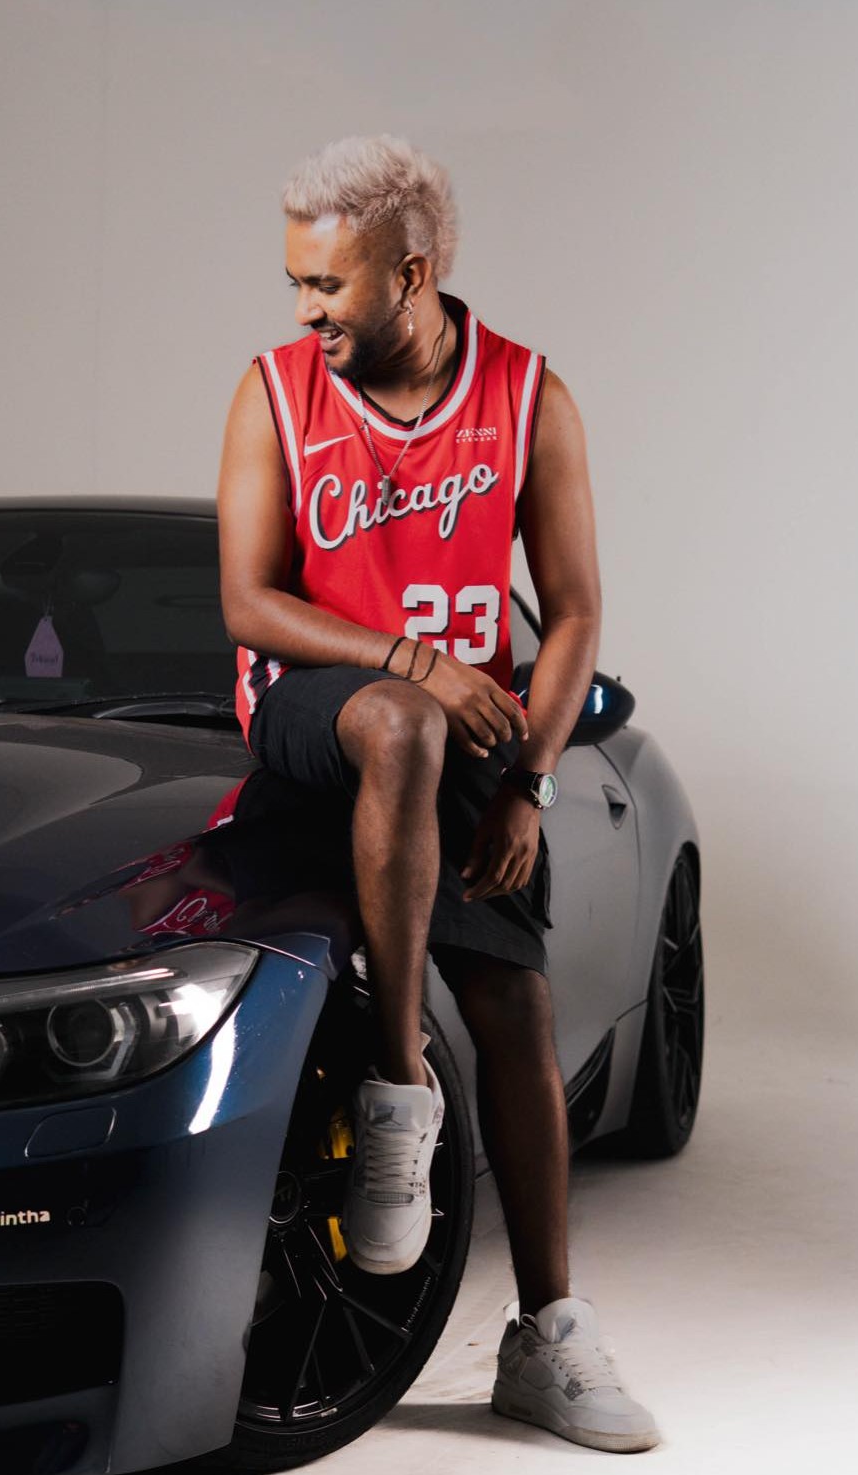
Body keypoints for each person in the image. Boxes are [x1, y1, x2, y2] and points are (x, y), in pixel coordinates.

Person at [216, 134, 660, 1455]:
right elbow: (249, 602)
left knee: (519, 1006)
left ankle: (549, 1337)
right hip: (316, 715)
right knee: (404, 718)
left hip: (466, 749)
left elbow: (573, 614)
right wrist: (412, 659)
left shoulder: (528, 396)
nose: (307, 308)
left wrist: (529, 782)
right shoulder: (274, 392)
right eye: (297, 283)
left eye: (329, 285)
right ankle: (400, 1087)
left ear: (410, 274)